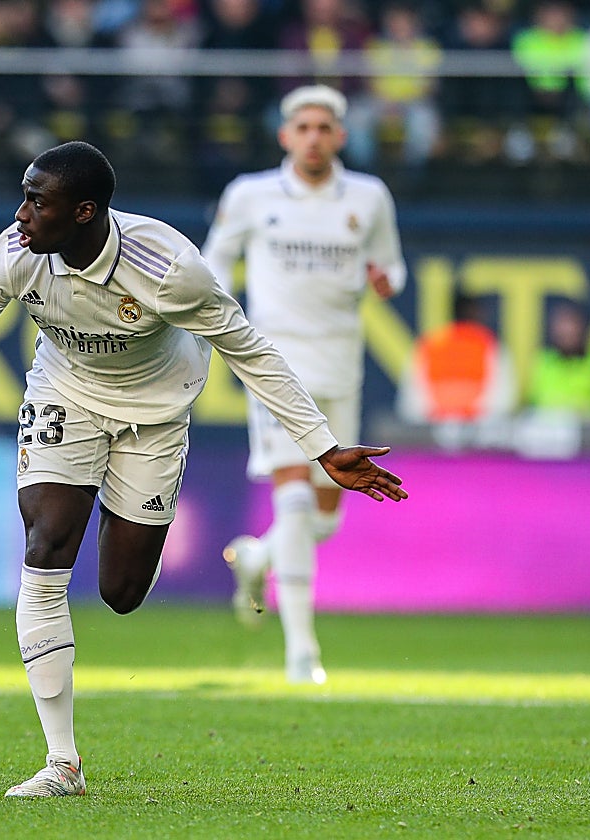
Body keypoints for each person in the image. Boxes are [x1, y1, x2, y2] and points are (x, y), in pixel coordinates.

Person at [0, 141, 407, 797]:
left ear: (84, 212)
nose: (21, 213)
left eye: (37, 201)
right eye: (23, 195)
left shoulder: (168, 269)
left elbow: (248, 350)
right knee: (46, 543)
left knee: (123, 592)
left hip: (157, 415)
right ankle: (62, 763)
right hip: (64, 397)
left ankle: (138, 520)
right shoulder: (16, 254)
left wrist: (321, 446)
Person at [200, 84, 407, 685]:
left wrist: (386, 280)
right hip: (274, 363)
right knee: (291, 495)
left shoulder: (367, 198)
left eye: (325, 127)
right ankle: (302, 652)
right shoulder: (250, 195)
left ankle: (259, 557)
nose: (314, 137)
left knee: (324, 515)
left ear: (340, 136)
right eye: (304, 127)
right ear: (286, 135)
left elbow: (392, 263)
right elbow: (213, 264)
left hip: (340, 363)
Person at [396, 290, 517, 427]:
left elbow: (412, 402)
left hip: (431, 432)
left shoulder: (429, 345)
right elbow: (502, 400)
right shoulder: (491, 345)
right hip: (476, 433)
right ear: (476, 313)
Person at [526, 298, 590, 421]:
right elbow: (530, 405)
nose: (567, 331)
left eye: (572, 324)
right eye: (562, 324)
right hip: (548, 433)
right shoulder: (541, 362)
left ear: (584, 327)